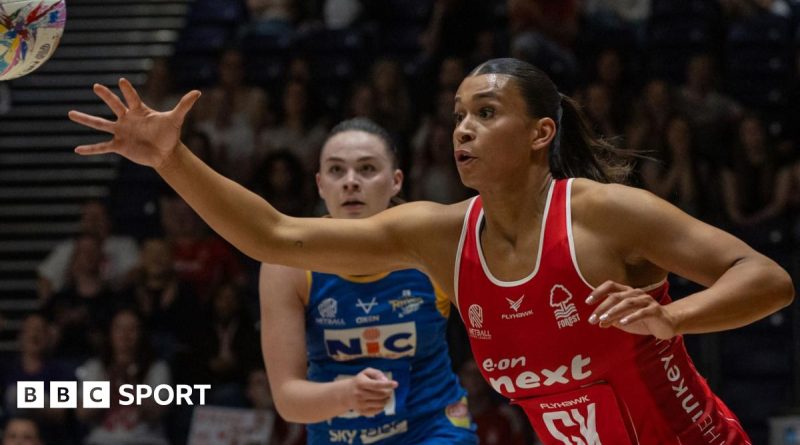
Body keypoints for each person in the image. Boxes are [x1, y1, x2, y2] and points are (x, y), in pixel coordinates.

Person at [68, 58, 794, 444]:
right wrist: (171, 160)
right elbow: (274, 235)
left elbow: (766, 277)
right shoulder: (440, 234)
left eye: (486, 113)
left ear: (542, 133)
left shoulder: (602, 213)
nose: (464, 129)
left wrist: (675, 319)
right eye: (457, 116)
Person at [259, 118, 477, 444]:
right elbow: (288, 399)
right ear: (320, 184)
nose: (350, 182)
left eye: (366, 169)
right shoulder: (287, 264)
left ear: (395, 181)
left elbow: (506, 317)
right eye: (336, 171)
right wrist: (347, 394)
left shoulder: (433, 246)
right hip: (338, 432)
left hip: (432, 427)